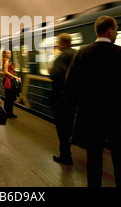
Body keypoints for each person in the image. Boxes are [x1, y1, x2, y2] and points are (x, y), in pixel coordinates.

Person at [66, 16, 121, 187]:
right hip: (118, 118)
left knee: (94, 161)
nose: (117, 33)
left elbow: (70, 84)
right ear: (109, 31)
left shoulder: (81, 54)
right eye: (116, 30)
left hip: (91, 118)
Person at [48, 33, 77, 165]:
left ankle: (65, 155)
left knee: (62, 128)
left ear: (63, 43)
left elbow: (57, 75)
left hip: (61, 98)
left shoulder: (61, 56)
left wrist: (51, 71)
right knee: (71, 125)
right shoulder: (77, 54)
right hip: (74, 98)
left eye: (58, 43)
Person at [2, 50, 19, 118]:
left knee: (8, 98)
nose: (10, 54)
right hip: (8, 81)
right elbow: (5, 71)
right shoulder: (6, 61)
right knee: (10, 98)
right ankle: (10, 113)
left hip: (8, 80)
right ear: (5, 54)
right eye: (8, 53)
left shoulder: (7, 61)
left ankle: (7, 112)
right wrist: (14, 76)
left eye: (10, 53)